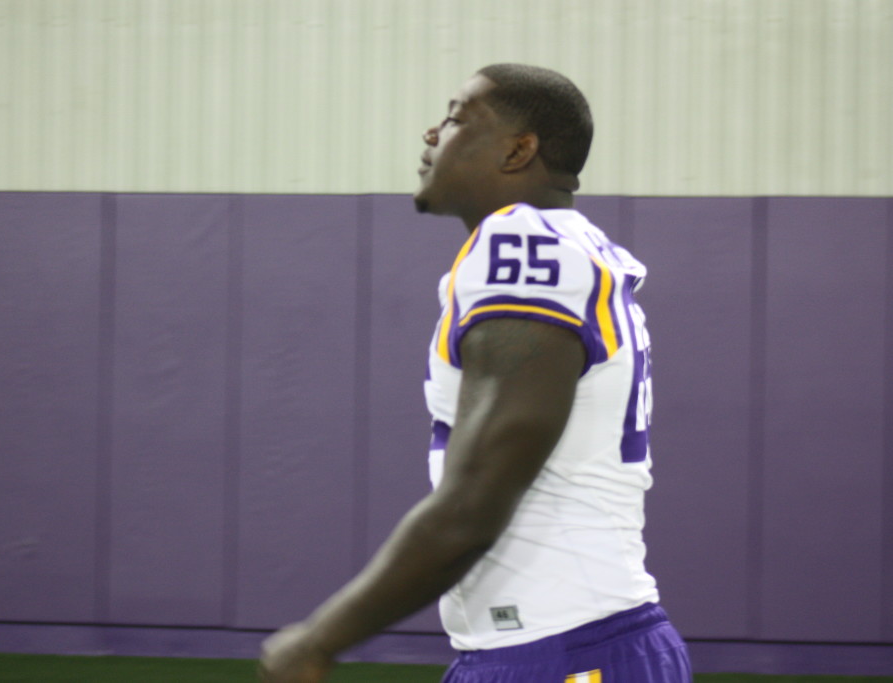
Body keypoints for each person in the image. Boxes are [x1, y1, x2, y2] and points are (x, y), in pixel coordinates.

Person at [259, 63, 692, 682]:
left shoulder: (521, 248)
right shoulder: (566, 244)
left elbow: (475, 501)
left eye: (458, 117)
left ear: (520, 150)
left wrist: (319, 639)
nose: (433, 133)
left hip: (566, 651)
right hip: (575, 645)